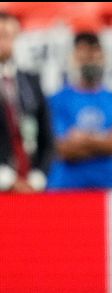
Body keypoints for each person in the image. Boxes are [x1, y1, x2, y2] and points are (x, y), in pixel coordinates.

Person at [47, 32, 112, 190]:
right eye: (84, 57)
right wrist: (107, 141)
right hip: (65, 190)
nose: (91, 62)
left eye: (95, 56)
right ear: (74, 59)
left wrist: (83, 139)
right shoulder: (57, 100)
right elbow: (62, 149)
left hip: (108, 191)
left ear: (104, 58)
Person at [0, 11, 54, 193]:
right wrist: (6, 179)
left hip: (31, 185)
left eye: (6, 35)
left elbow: (47, 136)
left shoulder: (30, 81)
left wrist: (37, 177)